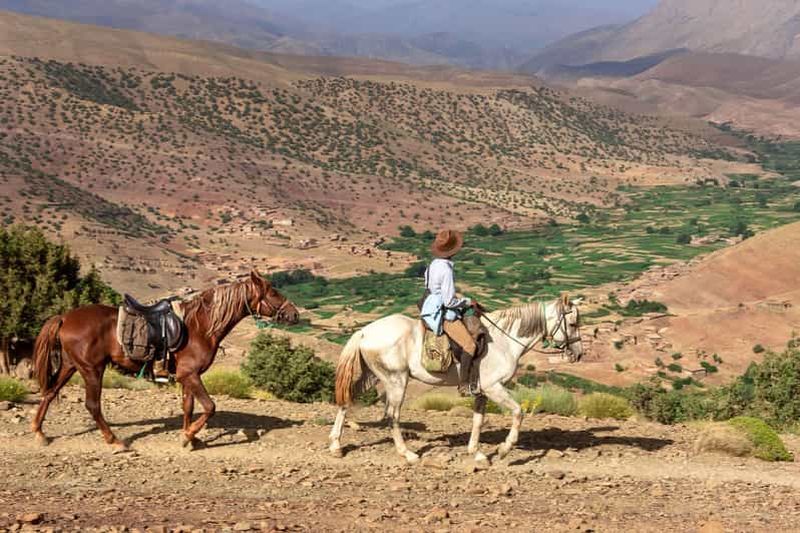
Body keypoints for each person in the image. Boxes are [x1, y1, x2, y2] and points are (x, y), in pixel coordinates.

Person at [420, 229, 484, 396]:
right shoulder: (446, 269)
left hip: (428, 305)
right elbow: (449, 301)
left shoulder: (432, 264)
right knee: (470, 345)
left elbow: (434, 290)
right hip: (442, 311)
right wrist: (468, 301)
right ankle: (464, 385)